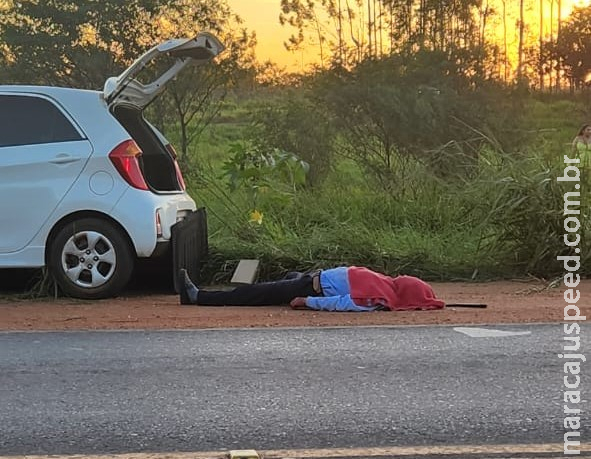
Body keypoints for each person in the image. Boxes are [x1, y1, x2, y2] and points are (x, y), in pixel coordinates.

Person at [178, 266, 446, 312]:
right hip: (312, 278)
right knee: (273, 287)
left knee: (255, 293)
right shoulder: (385, 284)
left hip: (313, 288)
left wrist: (307, 302)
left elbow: (344, 302)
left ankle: (198, 297)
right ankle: (274, 292)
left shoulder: (377, 298)